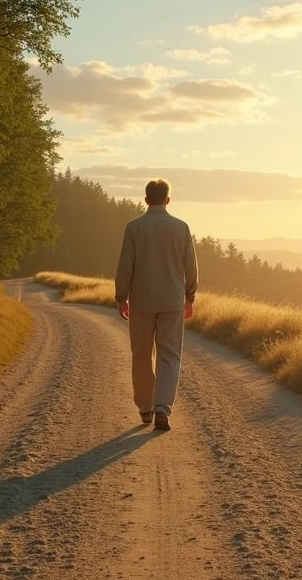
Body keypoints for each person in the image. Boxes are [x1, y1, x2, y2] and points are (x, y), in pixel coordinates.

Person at [114, 178, 198, 431]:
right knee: (169, 356)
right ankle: (162, 407)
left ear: (146, 199)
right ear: (168, 200)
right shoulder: (181, 227)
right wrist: (189, 296)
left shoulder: (134, 227)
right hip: (172, 300)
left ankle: (145, 407)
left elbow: (125, 265)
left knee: (141, 355)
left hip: (141, 301)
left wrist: (121, 297)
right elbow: (191, 267)